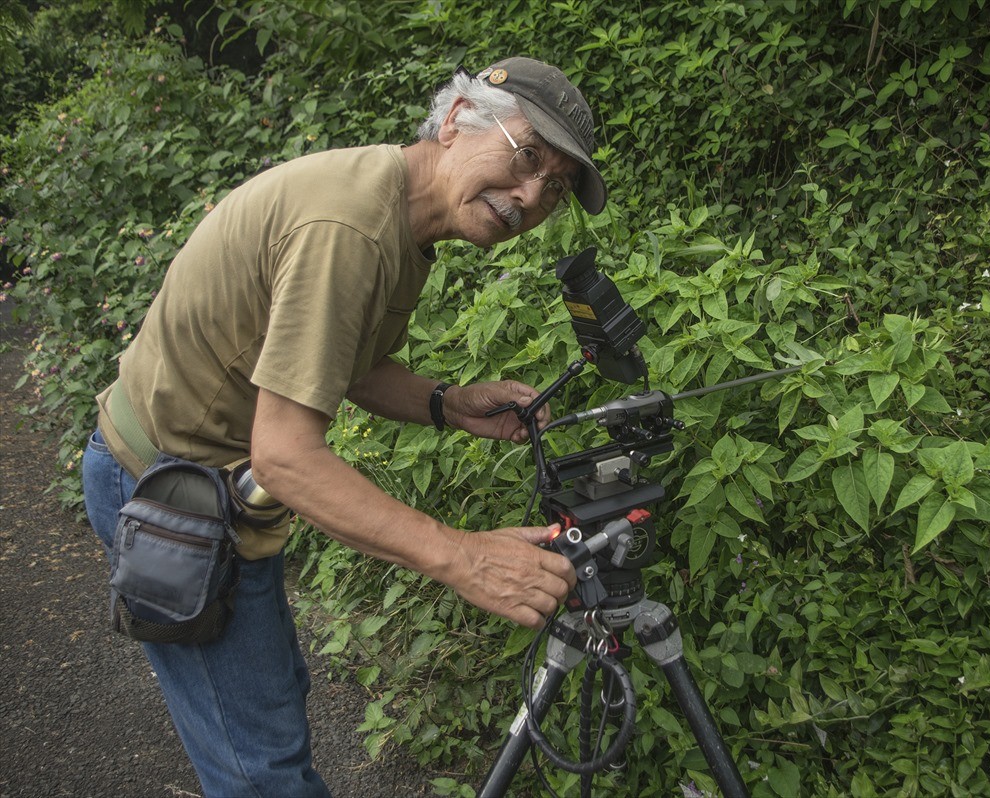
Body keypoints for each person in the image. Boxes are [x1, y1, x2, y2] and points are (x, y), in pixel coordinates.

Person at [80, 56, 606, 797]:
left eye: (552, 188)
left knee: (270, 702)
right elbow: (287, 456)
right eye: (527, 158)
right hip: (168, 488)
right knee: (261, 767)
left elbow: (334, 360)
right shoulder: (350, 228)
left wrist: (444, 402)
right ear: (456, 121)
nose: (528, 195)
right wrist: (463, 557)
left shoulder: (400, 213)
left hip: (226, 484)